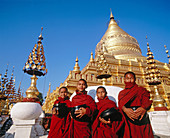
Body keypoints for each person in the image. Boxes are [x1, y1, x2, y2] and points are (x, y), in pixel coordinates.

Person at [118, 71, 154, 138]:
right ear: (124, 80)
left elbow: (147, 100)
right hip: (129, 118)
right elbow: (121, 104)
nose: (130, 80)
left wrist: (143, 108)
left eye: (131, 78)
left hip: (141, 116)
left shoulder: (141, 90)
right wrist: (125, 110)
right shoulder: (122, 93)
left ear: (135, 79)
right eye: (127, 78)